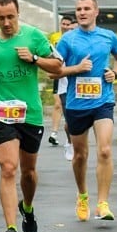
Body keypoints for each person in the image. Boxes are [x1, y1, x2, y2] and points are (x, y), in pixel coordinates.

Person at [0, 0, 61, 232]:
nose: (5, 22)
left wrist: (35, 59)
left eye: (10, 17)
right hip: (3, 114)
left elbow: (58, 66)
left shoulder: (34, 36)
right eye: (0, 18)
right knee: (8, 168)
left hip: (31, 115)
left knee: (28, 172)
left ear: (18, 14)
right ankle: (11, 229)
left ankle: (27, 208)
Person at [56, 0, 117, 222]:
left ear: (96, 12)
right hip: (76, 104)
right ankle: (83, 195)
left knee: (105, 150)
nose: (82, 12)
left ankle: (103, 204)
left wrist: (114, 72)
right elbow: (53, 71)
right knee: (80, 155)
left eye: (87, 8)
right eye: (78, 9)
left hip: (103, 101)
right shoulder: (68, 40)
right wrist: (76, 68)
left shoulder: (108, 37)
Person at [48, 15, 75, 157]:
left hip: (79, 85)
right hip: (63, 82)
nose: (66, 27)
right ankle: (66, 140)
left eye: (69, 25)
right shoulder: (56, 39)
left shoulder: (80, 41)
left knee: (78, 119)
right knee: (60, 107)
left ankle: (77, 143)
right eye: (63, 24)